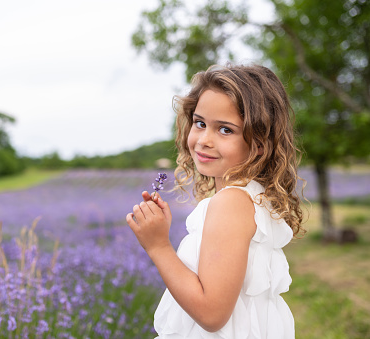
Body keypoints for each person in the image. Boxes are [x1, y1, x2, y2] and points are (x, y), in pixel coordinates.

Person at [126, 64, 305, 338]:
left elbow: (212, 314)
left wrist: (158, 245)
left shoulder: (230, 203)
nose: (204, 140)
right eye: (200, 123)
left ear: (258, 143)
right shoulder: (253, 196)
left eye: (225, 130)